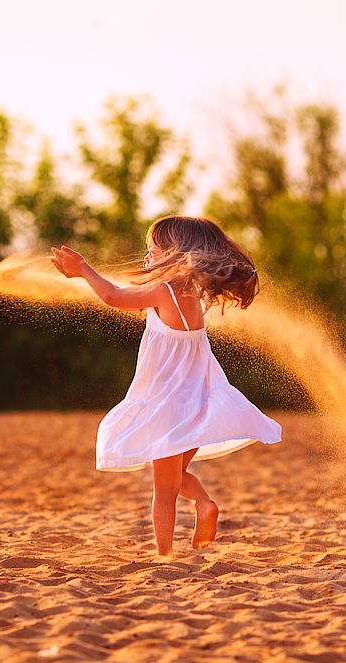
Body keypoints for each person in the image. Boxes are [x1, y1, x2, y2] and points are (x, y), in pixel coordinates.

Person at [51, 215, 281, 557]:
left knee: (165, 490)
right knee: (172, 475)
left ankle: (166, 554)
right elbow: (128, 297)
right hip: (195, 404)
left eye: (153, 251)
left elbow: (113, 296)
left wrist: (84, 267)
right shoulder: (192, 298)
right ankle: (203, 504)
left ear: (175, 254)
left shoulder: (163, 292)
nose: (147, 257)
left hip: (166, 408)